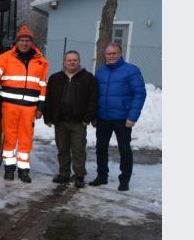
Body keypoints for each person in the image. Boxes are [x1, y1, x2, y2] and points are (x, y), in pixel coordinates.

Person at [0, 25, 49, 183]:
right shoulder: (6, 57)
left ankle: (24, 170)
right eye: (22, 40)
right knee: (9, 137)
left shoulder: (41, 62)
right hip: (9, 105)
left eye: (27, 40)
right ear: (17, 42)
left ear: (32, 42)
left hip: (29, 108)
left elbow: (43, 85)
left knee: (26, 138)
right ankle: (9, 169)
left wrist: (41, 107)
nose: (24, 43)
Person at [89, 43, 147, 191]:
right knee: (101, 148)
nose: (112, 56)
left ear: (121, 53)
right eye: (109, 53)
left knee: (124, 149)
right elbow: (95, 96)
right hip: (103, 117)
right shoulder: (100, 72)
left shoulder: (131, 70)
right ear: (105, 55)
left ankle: (124, 180)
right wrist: (94, 116)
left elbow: (139, 94)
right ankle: (102, 176)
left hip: (123, 118)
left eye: (115, 53)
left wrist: (132, 116)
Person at [43, 50, 98, 188]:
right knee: (62, 149)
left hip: (79, 122)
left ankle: (79, 176)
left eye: (75, 60)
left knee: (78, 149)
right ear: (64, 62)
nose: (72, 62)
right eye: (69, 60)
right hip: (60, 121)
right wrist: (48, 117)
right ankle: (64, 174)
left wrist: (87, 118)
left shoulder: (88, 78)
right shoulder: (55, 78)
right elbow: (48, 99)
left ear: (79, 62)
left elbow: (93, 100)